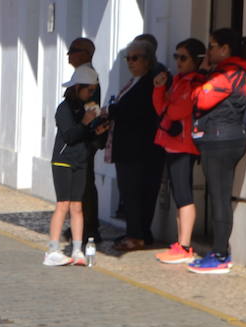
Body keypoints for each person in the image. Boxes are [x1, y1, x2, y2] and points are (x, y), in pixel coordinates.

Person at [188, 29, 246, 274]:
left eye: (212, 46)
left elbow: (199, 99)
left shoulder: (228, 74)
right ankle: (219, 251)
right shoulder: (241, 72)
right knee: (219, 196)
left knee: (219, 197)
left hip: (221, 140)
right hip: (227, 138)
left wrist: (201, 76)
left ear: (225, 49)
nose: (208, 51)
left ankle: (220, 254)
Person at [46, 64, 108, 266]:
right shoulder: (64, 109)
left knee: (78, 207)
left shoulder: (86, 108)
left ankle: (77, 249)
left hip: (81, 160)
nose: (91, 94)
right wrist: (85, 122)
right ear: (77, 87)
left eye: (93, 90)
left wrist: (98, 131)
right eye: (89, 89)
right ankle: (53, 250)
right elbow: (70, 135)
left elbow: (87, 139)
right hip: (63, 161)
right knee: (62, 205)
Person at [152, 39, 207, 265]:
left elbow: (176, 111)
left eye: (183, 57)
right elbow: (161, 107)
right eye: (176, 56)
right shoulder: (178, 81)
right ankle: (180, 243)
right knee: (179, 196)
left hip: (184, 146)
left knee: (184, 196)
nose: (178, 62)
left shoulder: (195, 83)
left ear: (196, 60)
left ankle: (185, 246)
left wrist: (165, 105)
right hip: (172, 144)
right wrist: (158, 88)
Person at [107, 37, 164, 251]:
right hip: (131, 149)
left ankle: (137, 235)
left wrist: (112, 111)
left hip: (141, 149)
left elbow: (136, 112)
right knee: (132, 193)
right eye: (128, 58)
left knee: (136, 193)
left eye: (135, 58)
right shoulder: (135, 82)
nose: (130, 62)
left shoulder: (150, 82)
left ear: (147, 60)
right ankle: (139, 233)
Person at [67, 37, 103, 250]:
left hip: (85, 138)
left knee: (85, 184)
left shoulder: (89, 76)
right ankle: (82, 226)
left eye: (74, 50)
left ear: (86, 53)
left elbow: (89, 106)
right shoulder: (81, 73)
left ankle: (90, 228)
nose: (69, 54)